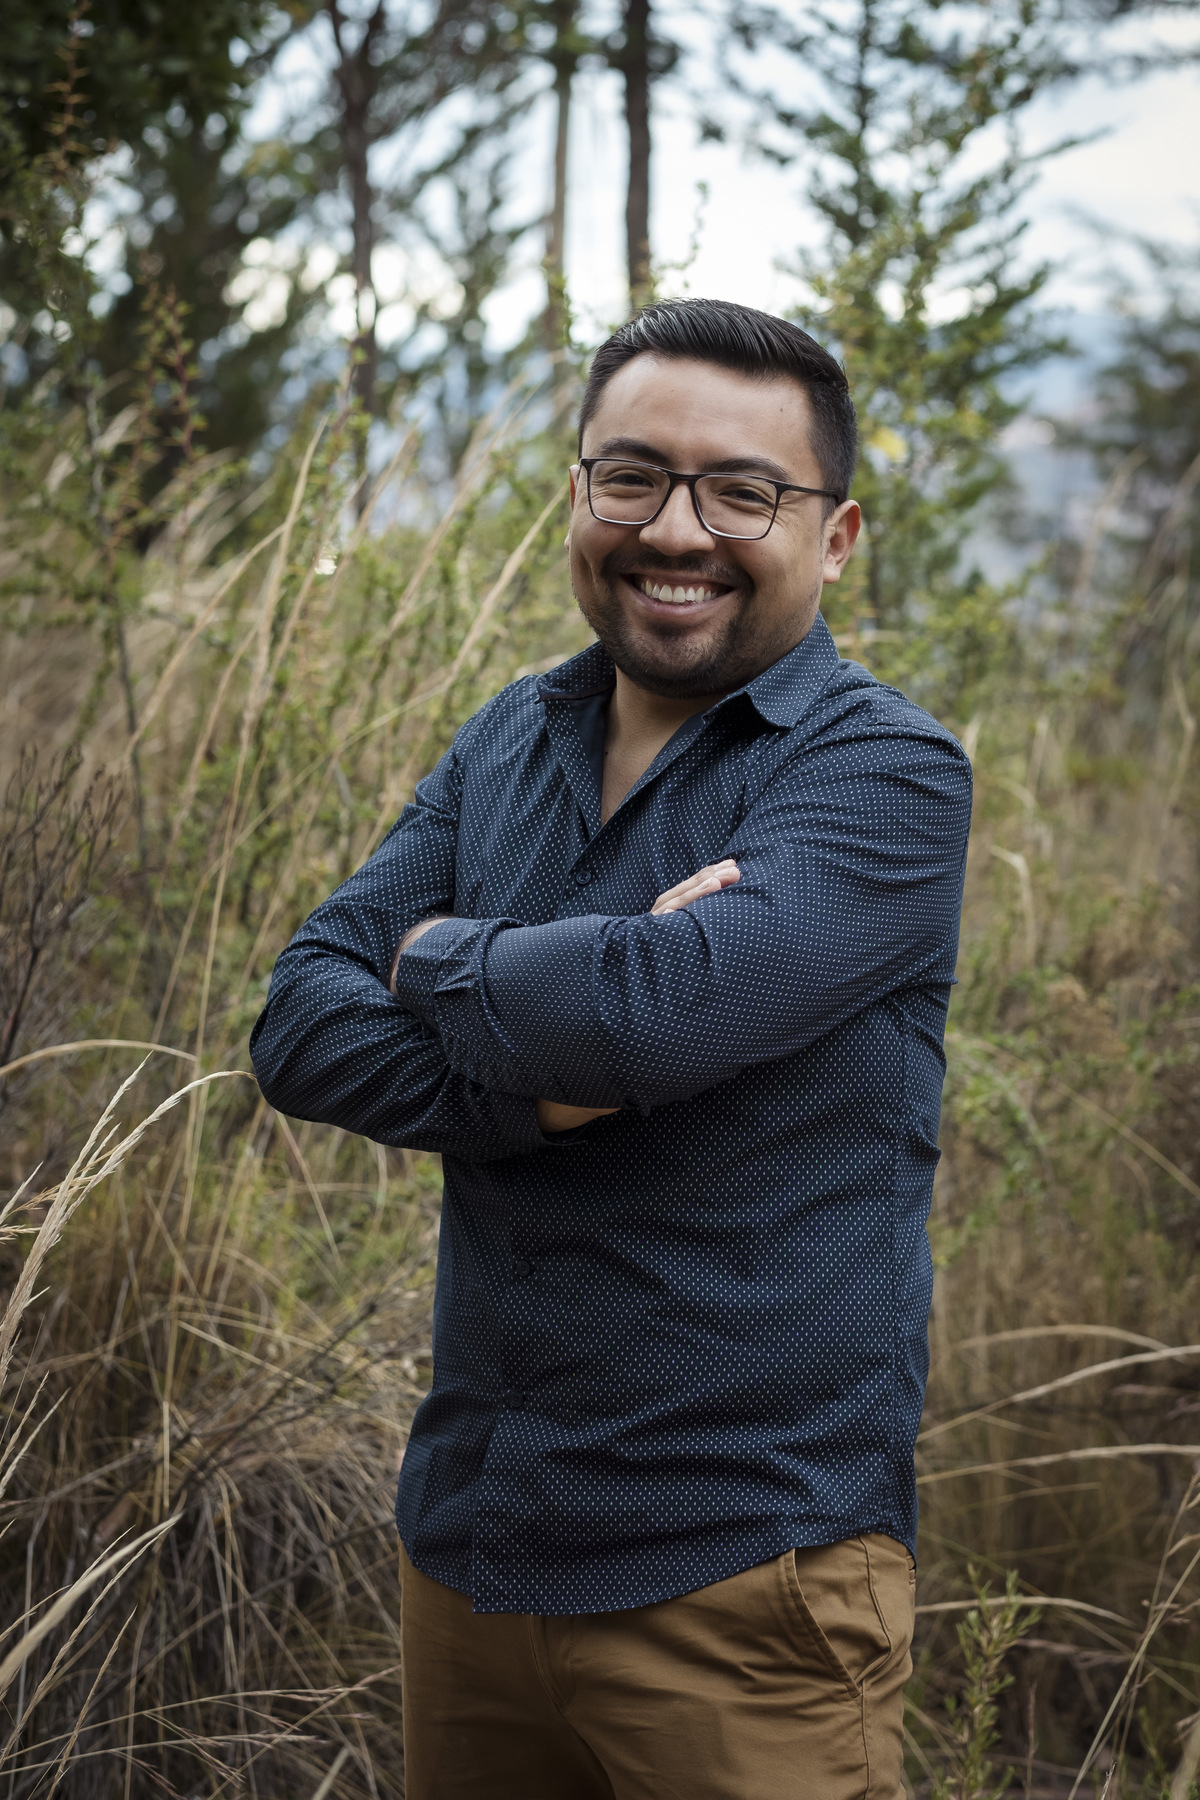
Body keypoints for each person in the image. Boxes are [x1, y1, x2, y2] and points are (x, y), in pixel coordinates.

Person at [250, 297, 973, 1799]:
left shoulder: (884, 775)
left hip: (741, 1584)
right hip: (474, 1547)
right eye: (631, 475)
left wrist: (439, 955)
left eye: (743, 491)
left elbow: (647, 1012)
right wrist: (553, 1087)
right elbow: (302, 1023)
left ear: (835, 538)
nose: (677, 529)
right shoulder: (511, 736)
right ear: (578, 495)